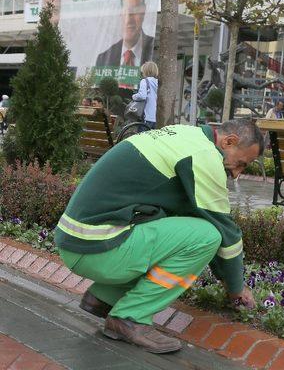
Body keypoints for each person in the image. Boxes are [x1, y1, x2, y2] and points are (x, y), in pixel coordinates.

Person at [54, 119, 262, 353]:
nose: (236, 174)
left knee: (176, 229)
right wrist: (236, 288)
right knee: (208, 237)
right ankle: (130, 317)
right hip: (97, 249)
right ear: (229, 141)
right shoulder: (204, 155)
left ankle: (103, 298)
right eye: (241, 163)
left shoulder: (185, 134)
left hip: (79, 242)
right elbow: (225, 231)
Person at [95, 0, 154, 67]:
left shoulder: (155, 49)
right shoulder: (103, 59)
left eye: (135, 9)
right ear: (120, 13)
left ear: (144, 11)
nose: (128, 19)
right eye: (125, 10)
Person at [131, 61, 158, 128]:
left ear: (145, 71)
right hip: (156, 117)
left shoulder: (145, 81)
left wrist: (134, 96)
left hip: (147, 116)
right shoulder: (158, 82)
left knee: (141, 137)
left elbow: (142, 96)